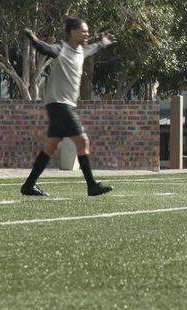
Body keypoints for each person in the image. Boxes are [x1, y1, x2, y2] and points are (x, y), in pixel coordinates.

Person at [20, 18, 116, 197]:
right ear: (72, 32)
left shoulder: (81, 51)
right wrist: (33, 39)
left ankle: (29, 185)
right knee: (83, 141)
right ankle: (92, 186)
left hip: (63, 105)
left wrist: (103, 43)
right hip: (60, 105)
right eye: (83, 31)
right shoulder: (62, 49)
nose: (87, 34)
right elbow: (46, 49)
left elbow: (92, 48)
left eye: (87, 31)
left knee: (50, 146)